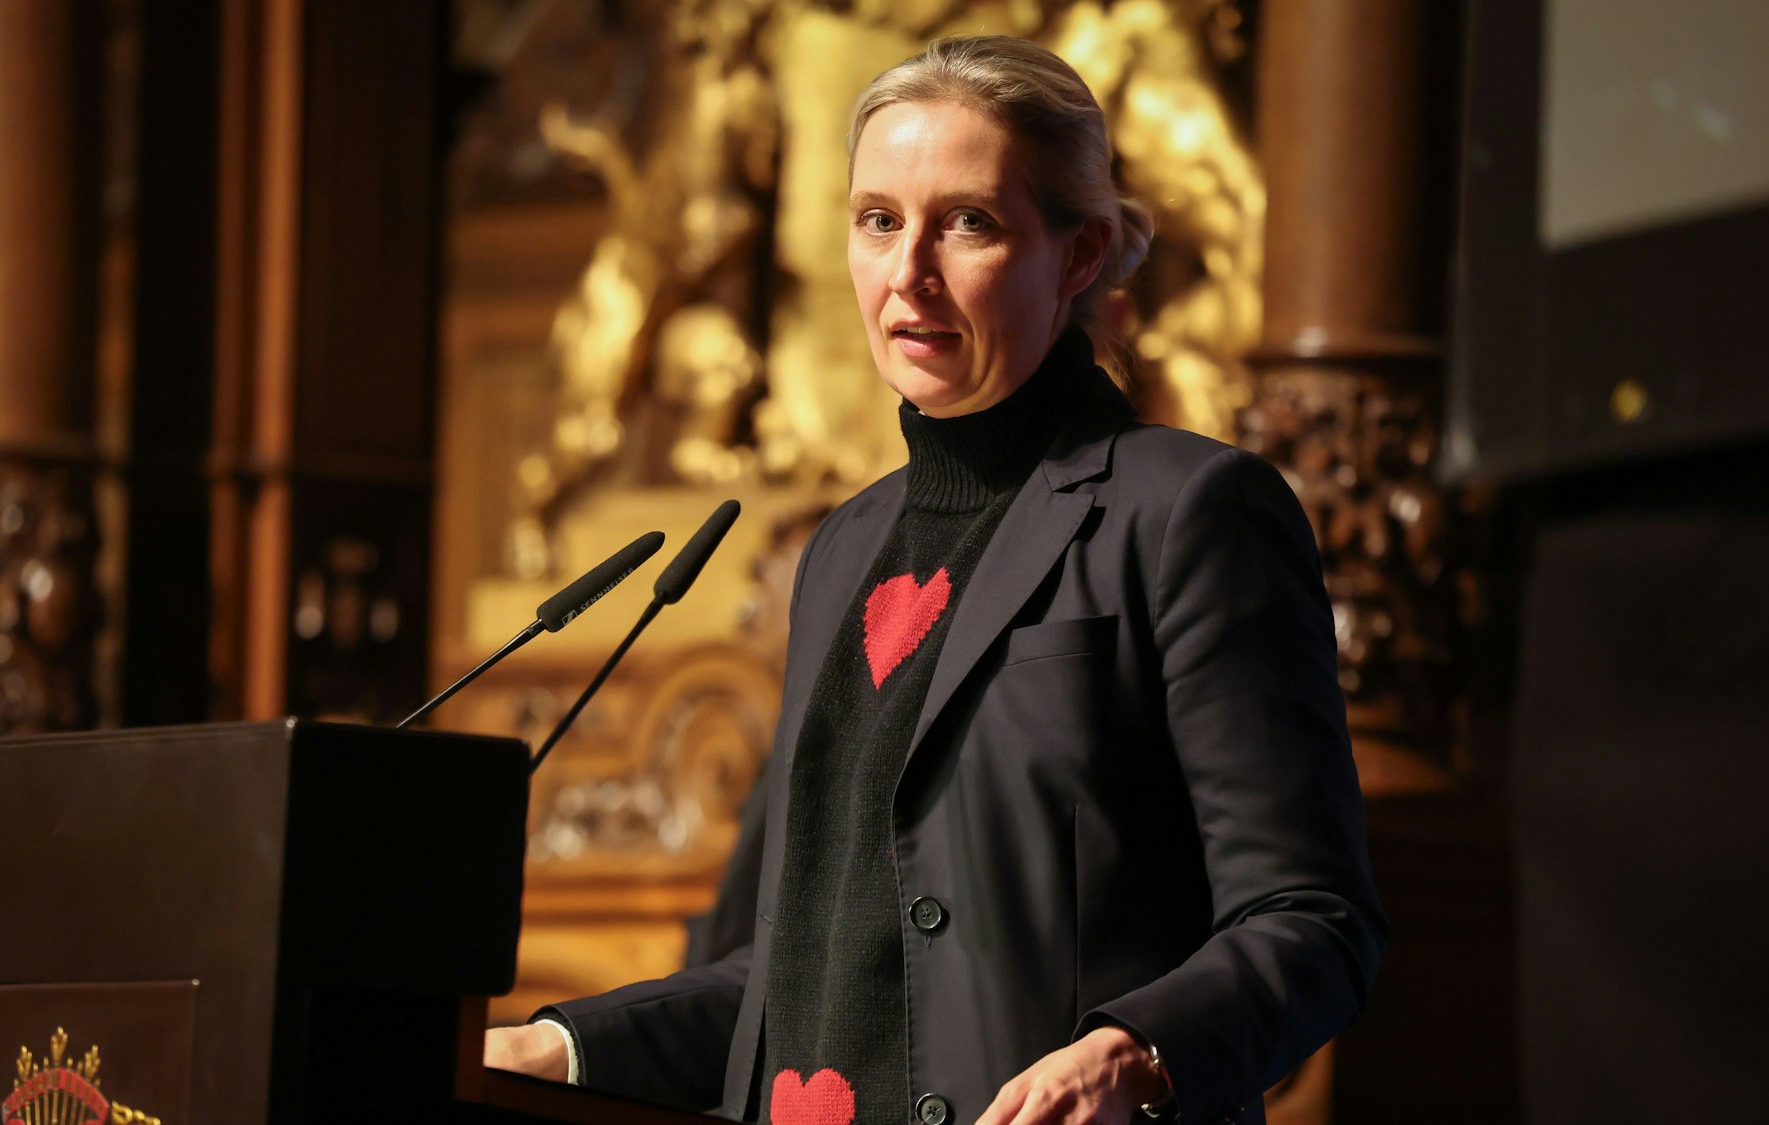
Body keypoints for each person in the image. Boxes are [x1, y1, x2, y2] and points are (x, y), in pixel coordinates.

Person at [486, 35, 1385, 1125]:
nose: (907, 272)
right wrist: (559, 1045)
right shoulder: (841, 552)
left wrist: (1133, 1052)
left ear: (1082, 253)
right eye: (877, 220)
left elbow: (1312, 920)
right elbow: (798, 979)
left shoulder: (1187, 513)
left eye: (968, 223)